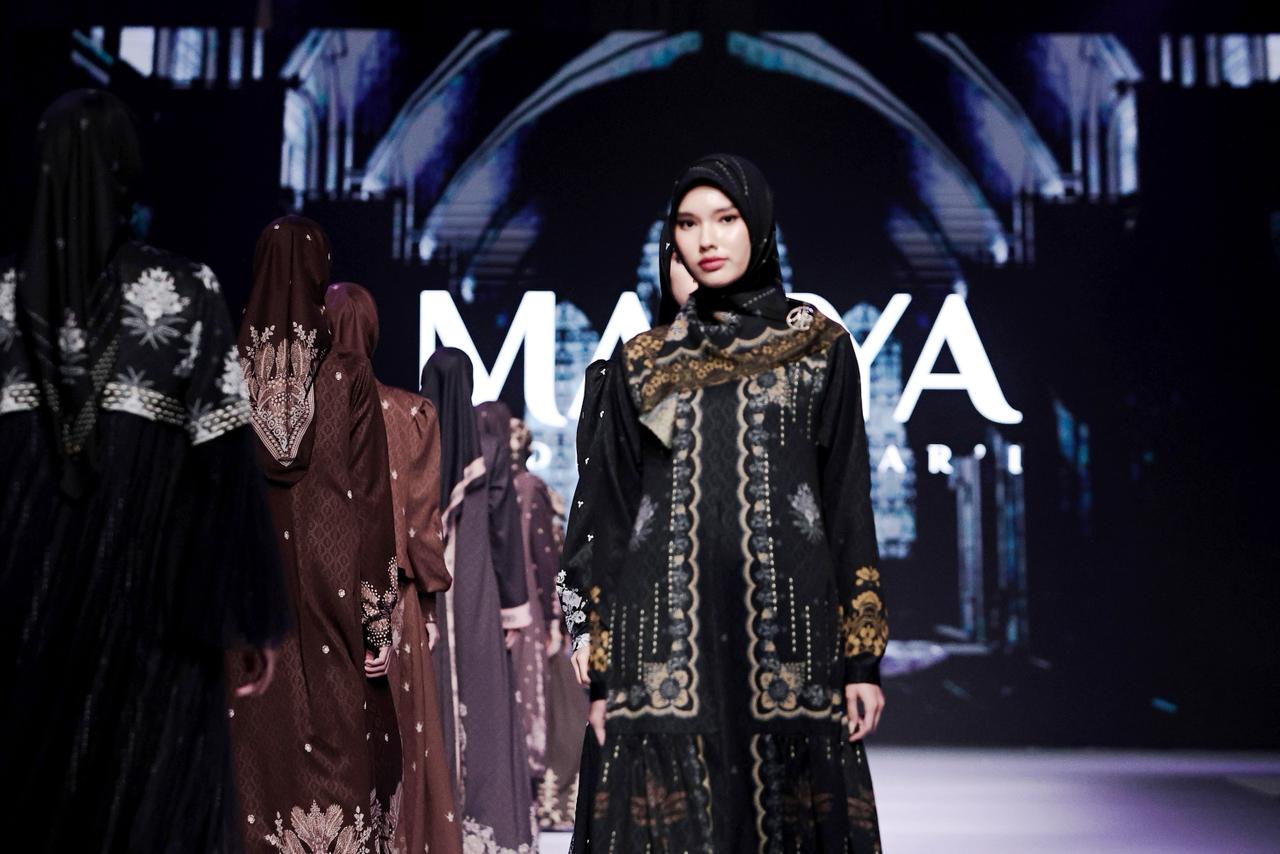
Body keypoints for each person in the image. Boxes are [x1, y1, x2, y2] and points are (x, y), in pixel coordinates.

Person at [559, 153, 886, 851]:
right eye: (688, 223)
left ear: (758, 226)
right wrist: (604, 672)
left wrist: (862, 661)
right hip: (664, 643)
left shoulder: (820, 349)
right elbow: (613, 520)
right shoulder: (644, 362)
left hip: (789, 636)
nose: (706, 239)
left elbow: (846, 503)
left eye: (726, 219)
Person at [0, 89, 288, 852]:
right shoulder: (186, 293)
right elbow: (222, 467)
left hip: (20, 618)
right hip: (150, 620)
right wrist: (246, 617)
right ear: (127, 172)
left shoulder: (1, 302)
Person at [227, 217, 403, 853]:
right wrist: (377, 625)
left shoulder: (225, 376)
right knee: (338, 737)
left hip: (247, 595)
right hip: (334, 594)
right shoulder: (348, 376)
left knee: (254, 742)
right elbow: (372, 507)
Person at [325, 281, 463, 854]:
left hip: (320, 596)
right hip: (394, 598)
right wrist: (426, 606)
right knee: (400, 736)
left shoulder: (304, 412)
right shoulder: (411, 414)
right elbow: (421, 525)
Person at [420, 349, 535, 853]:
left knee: (430, 695)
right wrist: (513, 610)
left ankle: (433, 822)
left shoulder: (411, 438)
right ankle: (482, 825)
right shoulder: (489, 447)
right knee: (483, 699)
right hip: (476, 589)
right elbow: (504, 534)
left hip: (423, 591)